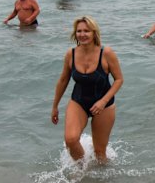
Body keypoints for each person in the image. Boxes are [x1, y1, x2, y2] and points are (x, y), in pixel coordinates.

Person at [51, 16, 124, 164]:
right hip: (78, 101)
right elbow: (63, 80)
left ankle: (102, 177)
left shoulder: (107, 53)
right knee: (70, 140)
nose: (82, 34)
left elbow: (119, 79)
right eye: (79, 31)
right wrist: (55, 106)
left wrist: (103, 102)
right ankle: (82, 170)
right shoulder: (70, 54)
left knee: (100, 153)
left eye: (86, 31)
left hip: (104, 105)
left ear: (94, 32)